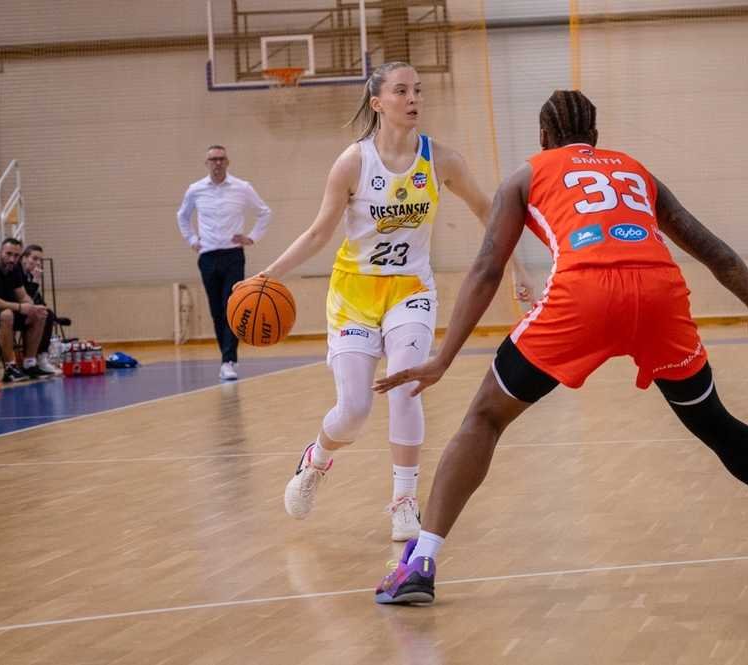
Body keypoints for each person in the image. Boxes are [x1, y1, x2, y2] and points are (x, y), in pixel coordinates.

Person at [372, 90, 748, 605]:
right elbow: (710, 247)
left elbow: (488, 268)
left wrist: (444, 357)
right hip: (659, 295)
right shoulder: (635, 172)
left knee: (485, 419)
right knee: (715, 422)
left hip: (582, 297)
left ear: (543, 136)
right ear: (596, 135)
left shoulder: (525, 175)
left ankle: (420, 563)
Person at [247, 61, 535, 542]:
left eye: (417, 90)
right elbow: (319, 232)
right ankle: (317, 459)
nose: (413, 98)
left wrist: (518, 269)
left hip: (411, 291)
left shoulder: (441, 160)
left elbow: (489, 212)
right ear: (378, 103)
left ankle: (404, 500)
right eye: (401, 91)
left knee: (406, 385)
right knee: (354, 410)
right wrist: (269, 274)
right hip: (354, 294)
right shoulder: (352, 163)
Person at [177, 145, 272, 380]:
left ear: (227, 162)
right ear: (207, 164)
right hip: (208, 256)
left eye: (221, 159)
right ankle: (227, 356)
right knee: (216, 310)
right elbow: (182, 216)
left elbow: (264, 212)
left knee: (231, 307)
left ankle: (228, 360)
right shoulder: (195, 190)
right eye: (213, 159)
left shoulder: (242, 187)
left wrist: (251, 237)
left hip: (233, 255)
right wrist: (192, 240)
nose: (217, 163)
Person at [0, 238, 53, 382]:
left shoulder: (14, 270)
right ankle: (10, 368)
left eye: (16, 256)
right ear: (0, 252)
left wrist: (32, 307)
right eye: (8, 254)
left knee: (40, 315)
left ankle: (29, 364)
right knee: (7, 315)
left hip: (7, 312)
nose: (12, 259)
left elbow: (23, 296)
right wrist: (20, 307)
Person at [20, 244, 64, 375]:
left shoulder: (29, 274)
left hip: (29, 311)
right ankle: (35, 359)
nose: (38, 263)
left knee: (47, 313)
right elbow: (25, 298)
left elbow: (38, 300)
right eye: (34, 258)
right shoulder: (18, 273)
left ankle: (42, 357)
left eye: (40, 260)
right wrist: (35, 281)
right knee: (44, 315)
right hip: (17, 309)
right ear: (24, 258)